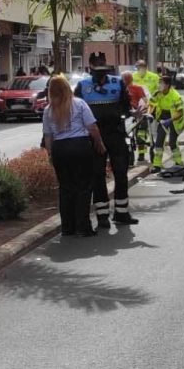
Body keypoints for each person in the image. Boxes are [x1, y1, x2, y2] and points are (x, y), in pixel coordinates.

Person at [75, 57, 139, 227]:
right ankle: (102, 216)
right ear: (91, 69)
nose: (101, 74)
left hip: (116, 134)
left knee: (121, 173)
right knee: (97, 175)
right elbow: (76, 110)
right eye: (97, 70)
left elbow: (126, 106)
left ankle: (121, 213)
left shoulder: (118, 83)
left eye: (103, 70)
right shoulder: (82, 86)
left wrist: (135, 113)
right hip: (94, 136)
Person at [42, 75, 105, 237]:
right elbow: (92, 127)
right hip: (80, 146)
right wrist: (99, 143)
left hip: (60, 149)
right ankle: (83, 226)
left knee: (65, 188)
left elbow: (48, 135)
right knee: (83, 187)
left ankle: (67, 227)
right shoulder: (79, 104)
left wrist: (50, 154)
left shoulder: (48, 110)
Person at [149, 74, 184, 173]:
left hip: (175, 120)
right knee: (159, 142)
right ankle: (157, 165)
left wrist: (169, 121)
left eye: (161, 83)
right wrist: (148, 114)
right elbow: (151, 104)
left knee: (172, 142)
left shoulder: (175, 96)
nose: (159, 85)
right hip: (162, 118)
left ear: (168, 85)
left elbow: (180, 112)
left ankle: (179, 162)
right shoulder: (157, 93)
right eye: (159, 83)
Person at [122, 71, 152, 161]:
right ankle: (131, 153)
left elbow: (145, 100)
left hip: (136, 113)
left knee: (141, 135)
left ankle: (141, 154)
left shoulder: (137, 88)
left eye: (125, 78)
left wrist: (146, 108)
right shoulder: (121, 89)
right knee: (127, 134)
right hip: (126, 114)